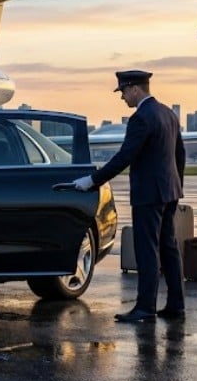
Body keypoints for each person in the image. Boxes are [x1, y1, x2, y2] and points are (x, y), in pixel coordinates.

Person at [71, 70, 186, 323]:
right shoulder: (168, 114)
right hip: (169, 191)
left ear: (135, 89)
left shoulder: (141, 118)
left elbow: (124, 157)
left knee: (147, 251)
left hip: (149, 195)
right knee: (169, 247)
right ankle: (176, 305)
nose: (122, 97)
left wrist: (92, 181)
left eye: (123, 91)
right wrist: (177, 187)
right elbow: (180, 154)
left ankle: (146, 307)